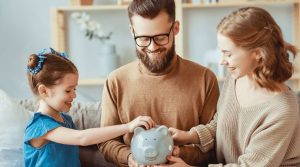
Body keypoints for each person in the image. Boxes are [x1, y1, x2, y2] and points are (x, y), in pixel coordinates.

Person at [160, 6, 300, 167]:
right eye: (221, 52)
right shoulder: (235, 79)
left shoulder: (281, 111)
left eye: (228, 54)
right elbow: (221, 124)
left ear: (258, 53)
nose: (221, 61)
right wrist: (190, 136)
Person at [99, 0, 219, 166]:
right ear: (132, 31)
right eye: (143, 38)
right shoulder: (115, 81)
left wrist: (180, 153)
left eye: (160, 37)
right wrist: (130, 158)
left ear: (176, 28)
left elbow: (215, 143)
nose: (152, 47)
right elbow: (106, 142)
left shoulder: (205, 79)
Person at [23, 48, 156, 167]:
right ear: (44, 91)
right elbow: (82, 138)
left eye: (75, 89)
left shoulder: (66, 120)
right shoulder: (40, 126)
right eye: (68, 90)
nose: (74, 95)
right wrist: (127, 127)